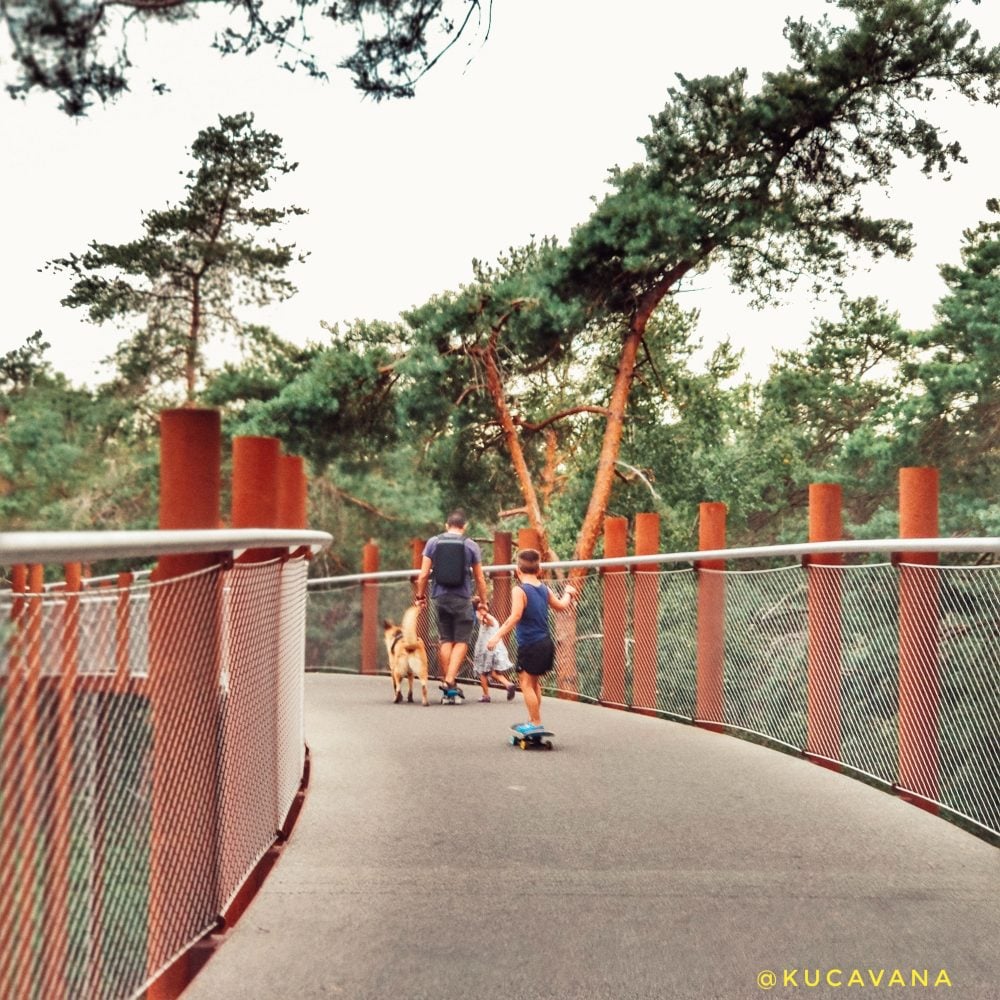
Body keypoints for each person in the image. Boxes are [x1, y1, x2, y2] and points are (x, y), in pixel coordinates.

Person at [486, 548, 576, 733]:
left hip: (530, 645)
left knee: (526, 684)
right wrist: (568, 592)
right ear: (539, 570)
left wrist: (496, 636)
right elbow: (561, 606)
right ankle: (533, 719)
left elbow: (515, 616)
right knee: (534, 684)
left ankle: (535, 722)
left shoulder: (519, 590)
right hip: (545, 643)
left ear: (517, 571)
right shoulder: (544, 589)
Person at [414, 509, 489, 698]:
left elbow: (423, 574)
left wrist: (420, 596)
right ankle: (449, 680)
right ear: (465, 527)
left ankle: (450, 684)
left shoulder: (433, 542)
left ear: (446, 526)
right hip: (462, 598)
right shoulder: (470, 545)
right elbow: (479, 577)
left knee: (445, 639)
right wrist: (483, 602)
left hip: (440, 597)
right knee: (462, 640)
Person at [471, 598, 517, 702]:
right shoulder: (488, 619)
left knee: (482, 672)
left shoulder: (488, 619)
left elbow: (489, 622)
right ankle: (509, 685)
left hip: (487, 650)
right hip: (494, 649)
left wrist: (483, 614)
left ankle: (486, 695)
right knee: (494, 672)